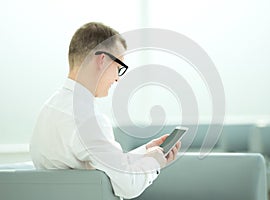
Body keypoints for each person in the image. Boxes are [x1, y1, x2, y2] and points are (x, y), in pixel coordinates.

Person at [30, 22, 181, 199]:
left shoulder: (50, 109)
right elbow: (129, 185)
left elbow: (101, 164)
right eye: (119, 68)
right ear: (102, 60)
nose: (117, 79)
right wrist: (153, 161)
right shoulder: (87, 119)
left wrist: (144, 152)